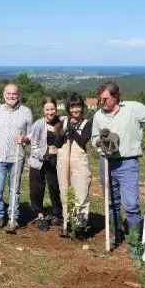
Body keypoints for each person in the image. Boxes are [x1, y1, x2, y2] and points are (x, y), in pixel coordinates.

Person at [91, 81, 145, 257]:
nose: (102, 102)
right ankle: (114, 236)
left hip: (127, 163)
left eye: (105, 99)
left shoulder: (133, 108)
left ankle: (134, 244)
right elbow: (93, 139)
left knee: (132, 204)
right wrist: (101, 140)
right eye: (100, 99)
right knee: (110, 203)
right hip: (106, 162)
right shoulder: (98, 116)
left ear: (115, 97)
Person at [0, 84, 33, 231]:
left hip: (17, 156)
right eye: (8, 93)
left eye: (14, 93)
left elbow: (31, 134)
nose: (11, 96)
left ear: (18, 95)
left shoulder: (26, 112)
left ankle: (12, 218)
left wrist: (25, 139)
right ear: (4, 94)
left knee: (14, 190)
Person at [55, 92, 92, 238]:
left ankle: (80, 226)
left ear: (82, 107)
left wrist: (72, 132)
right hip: (63, 161)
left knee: (81, 195)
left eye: (77, 106)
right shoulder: (63, 122)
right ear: (68, 108)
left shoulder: (87, 124)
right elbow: (57, 144)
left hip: (79, 163)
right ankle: (67, 223)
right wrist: (61, 135)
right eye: (72, 107)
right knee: (65, 195)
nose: (75, 110)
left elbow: (83, 141)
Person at [27, 97, 63, 232]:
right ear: (43, 110)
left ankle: (57, 214)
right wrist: (45, 153)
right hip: (39, 161)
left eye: (52, 109)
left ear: (56, 108)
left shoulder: (61, 123)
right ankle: (40, 216)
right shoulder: (38, 124)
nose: (50, 112)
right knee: (37, 188)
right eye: (47, 109)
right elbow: (34, 145)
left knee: (55, 187)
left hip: (55, 161)